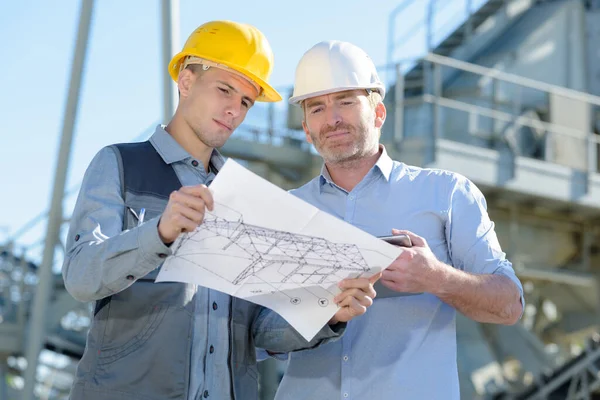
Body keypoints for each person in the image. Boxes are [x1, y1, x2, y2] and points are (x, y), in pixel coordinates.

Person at [62, 24, 378, 400]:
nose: (233, 109)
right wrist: (158, 234)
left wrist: (329, 311)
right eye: (225, 90)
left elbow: (255, 331)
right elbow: (80, 276)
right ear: (186, 80)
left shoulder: (243, 196)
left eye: (246, 101)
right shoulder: (120, 164)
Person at [270, 40, 525, 400]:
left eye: (346, 101)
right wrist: (323, 314)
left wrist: (436, 277)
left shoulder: (447, 194)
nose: (332, 119)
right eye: (317, 107)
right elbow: (256, 334)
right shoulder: (283, 212)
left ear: (378, 114)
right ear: (307, 128)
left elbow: (509, 305)